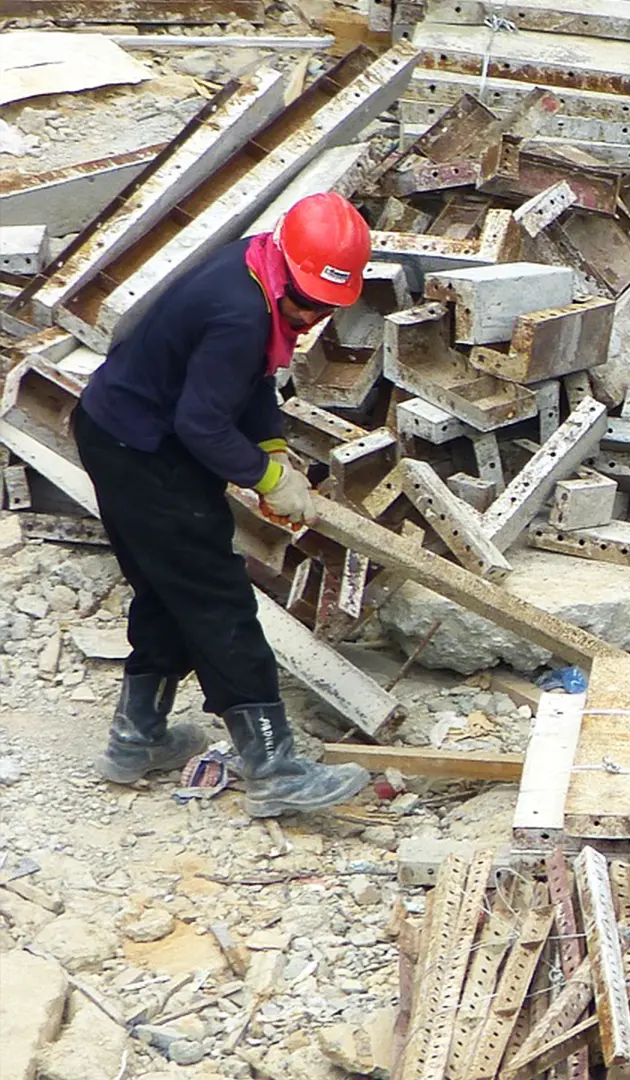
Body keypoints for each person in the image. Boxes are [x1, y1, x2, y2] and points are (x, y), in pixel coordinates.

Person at [75, 191, 373, 818]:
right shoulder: (241, 314)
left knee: (168, 589)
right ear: (288, 269)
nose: (311, 317)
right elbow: (202, 425)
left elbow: (252, 378)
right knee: (217, 600)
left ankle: (137, 740)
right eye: (308, 302)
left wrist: (269, 446)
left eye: (325, 306)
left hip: (119, 431)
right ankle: (273, 767)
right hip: (148, 451)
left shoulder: (257, 264)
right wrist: (268, 479)